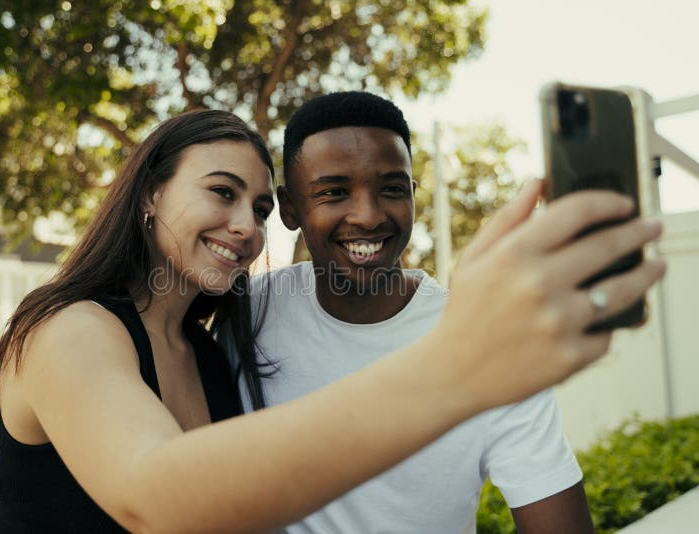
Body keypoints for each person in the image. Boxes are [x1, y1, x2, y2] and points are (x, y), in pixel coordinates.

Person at [0, 108, 664, 534]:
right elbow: (155, 500)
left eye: (255, 206)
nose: (243, 226)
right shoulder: (69, 329)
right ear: (152, 192)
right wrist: (457, 365)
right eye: (221, 193)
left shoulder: (211, 342)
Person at [225, 91, 666, 533]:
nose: (368, 215)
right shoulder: (250, 309)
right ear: (289, 208)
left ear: (414, 196)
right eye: (334, 192)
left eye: (392, 189)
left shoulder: (490, 342)